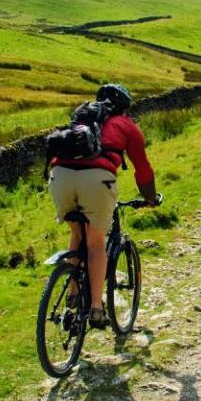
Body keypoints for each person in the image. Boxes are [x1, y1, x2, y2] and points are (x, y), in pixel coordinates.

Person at [47, 83, 157, 328]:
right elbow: (143, 168)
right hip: (96, 179)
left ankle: (73, 293)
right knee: (96, 243)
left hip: (59, 175)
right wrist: (150, 197)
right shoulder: (126, 125)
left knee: (77, 234)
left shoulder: (82, 117)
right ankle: (96, 308)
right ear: (125, 108)